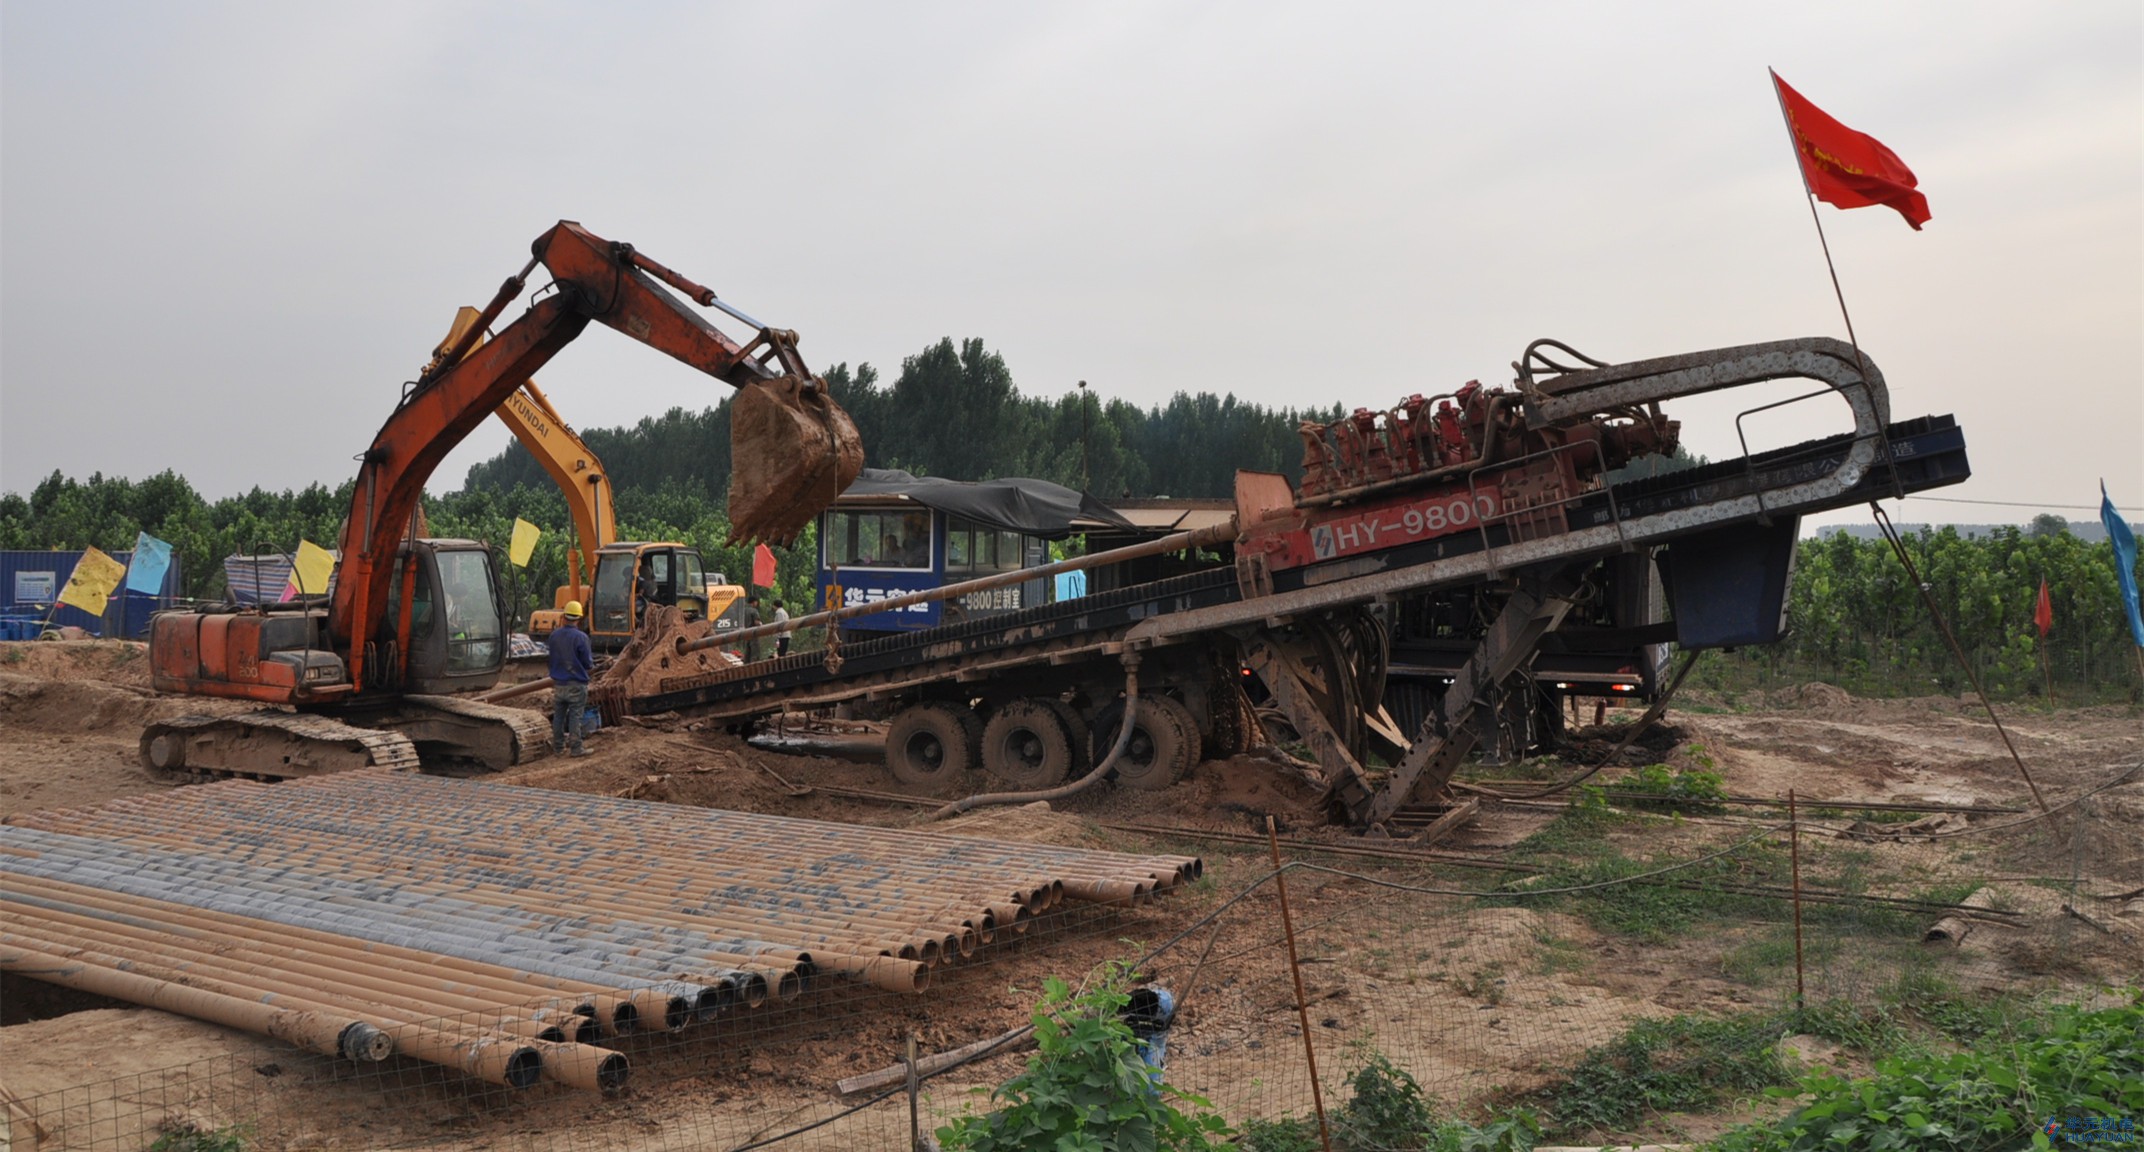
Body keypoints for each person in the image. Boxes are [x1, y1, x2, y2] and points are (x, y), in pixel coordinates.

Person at [548, 600, 595, 757]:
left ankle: (558, 748)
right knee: (575, 716)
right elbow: (588, 663)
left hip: (559, 684)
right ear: (579, 618)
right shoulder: (581, 637)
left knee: (559, 717)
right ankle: (576, 748)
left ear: (564, 616)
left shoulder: (554, 636)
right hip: (576, 683)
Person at [739, 593, 764, 663]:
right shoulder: (754, 611)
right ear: (754, 602)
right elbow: (757, 622)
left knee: (747, 653)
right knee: (755, 654)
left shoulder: (743, 610)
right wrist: (761, 625)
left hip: (745, 634)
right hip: (753, 634)